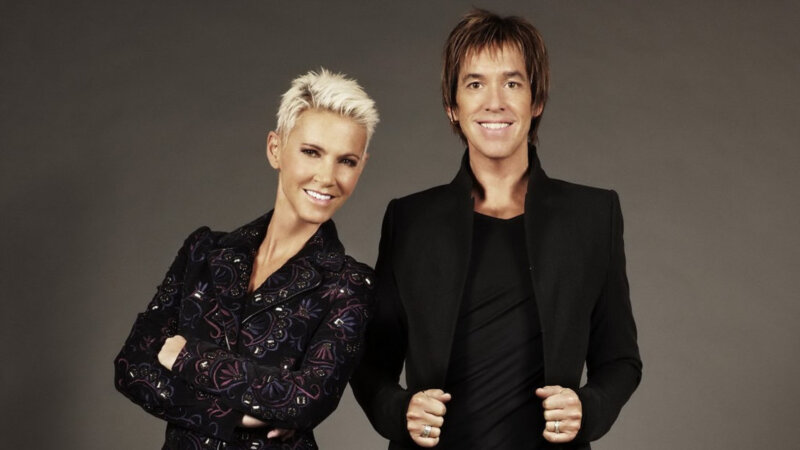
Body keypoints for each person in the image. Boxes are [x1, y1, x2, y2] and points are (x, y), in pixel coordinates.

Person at [350, 9, 642, 449]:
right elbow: (370, 361)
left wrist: (589, 407)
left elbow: (620, 359)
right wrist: (400, 410)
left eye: (512, 83)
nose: (494, 102)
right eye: (474, 84)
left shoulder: (593, 215)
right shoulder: (409, 220)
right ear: (452, 106)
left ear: (536, 100)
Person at [115, 69, 379, 450]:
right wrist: (234, 416)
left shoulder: (351, 284)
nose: (327, 176)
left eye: (347, 161)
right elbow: (132, 366)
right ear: (275, 149)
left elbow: (305, 400)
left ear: (362, 167)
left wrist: (187, 355)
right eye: (311, 152)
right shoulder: (204, 252)